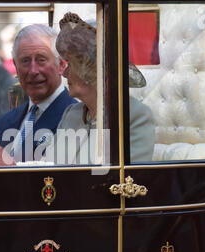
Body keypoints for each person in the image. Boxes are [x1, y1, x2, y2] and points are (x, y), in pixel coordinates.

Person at [44, 12, 154, 165]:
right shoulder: (70, 114)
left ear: (92, 68)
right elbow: (48, 167)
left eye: (71, 64)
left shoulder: (134, 115)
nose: (65, 73)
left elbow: (131, 178)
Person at [0, 24, 77, 166]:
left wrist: (11, 166)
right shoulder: (0, 125)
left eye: (41, 60)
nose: (33, 70)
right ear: (15, 67)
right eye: (25, 61)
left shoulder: (78, 121)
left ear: (61, 64)